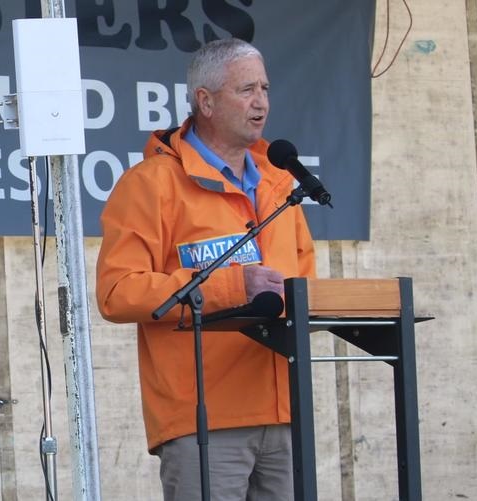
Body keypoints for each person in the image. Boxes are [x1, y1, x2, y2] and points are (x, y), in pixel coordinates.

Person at [96, 38, 316, 501]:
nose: (261, 103)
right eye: (247, 90)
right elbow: (117, 293)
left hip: (284, 415)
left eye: (265, 88)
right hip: (204, 420)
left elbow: (305, 285)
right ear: (206, 101)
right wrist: (233, 286)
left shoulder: (281, 186)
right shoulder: (151, 185)